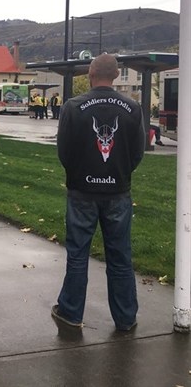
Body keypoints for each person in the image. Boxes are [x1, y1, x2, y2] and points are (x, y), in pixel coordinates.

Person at [52, 53, 145, 331]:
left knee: (78, 254)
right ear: (116, 75)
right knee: (120, 257)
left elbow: (64, 151)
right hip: (118, 192)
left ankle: (71, 312)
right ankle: (126, 317)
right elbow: (137, 152)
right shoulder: (133, 108)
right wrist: (120, 174)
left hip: (82, 192)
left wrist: (79, 175)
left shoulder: (73, 106)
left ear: (90, 74)